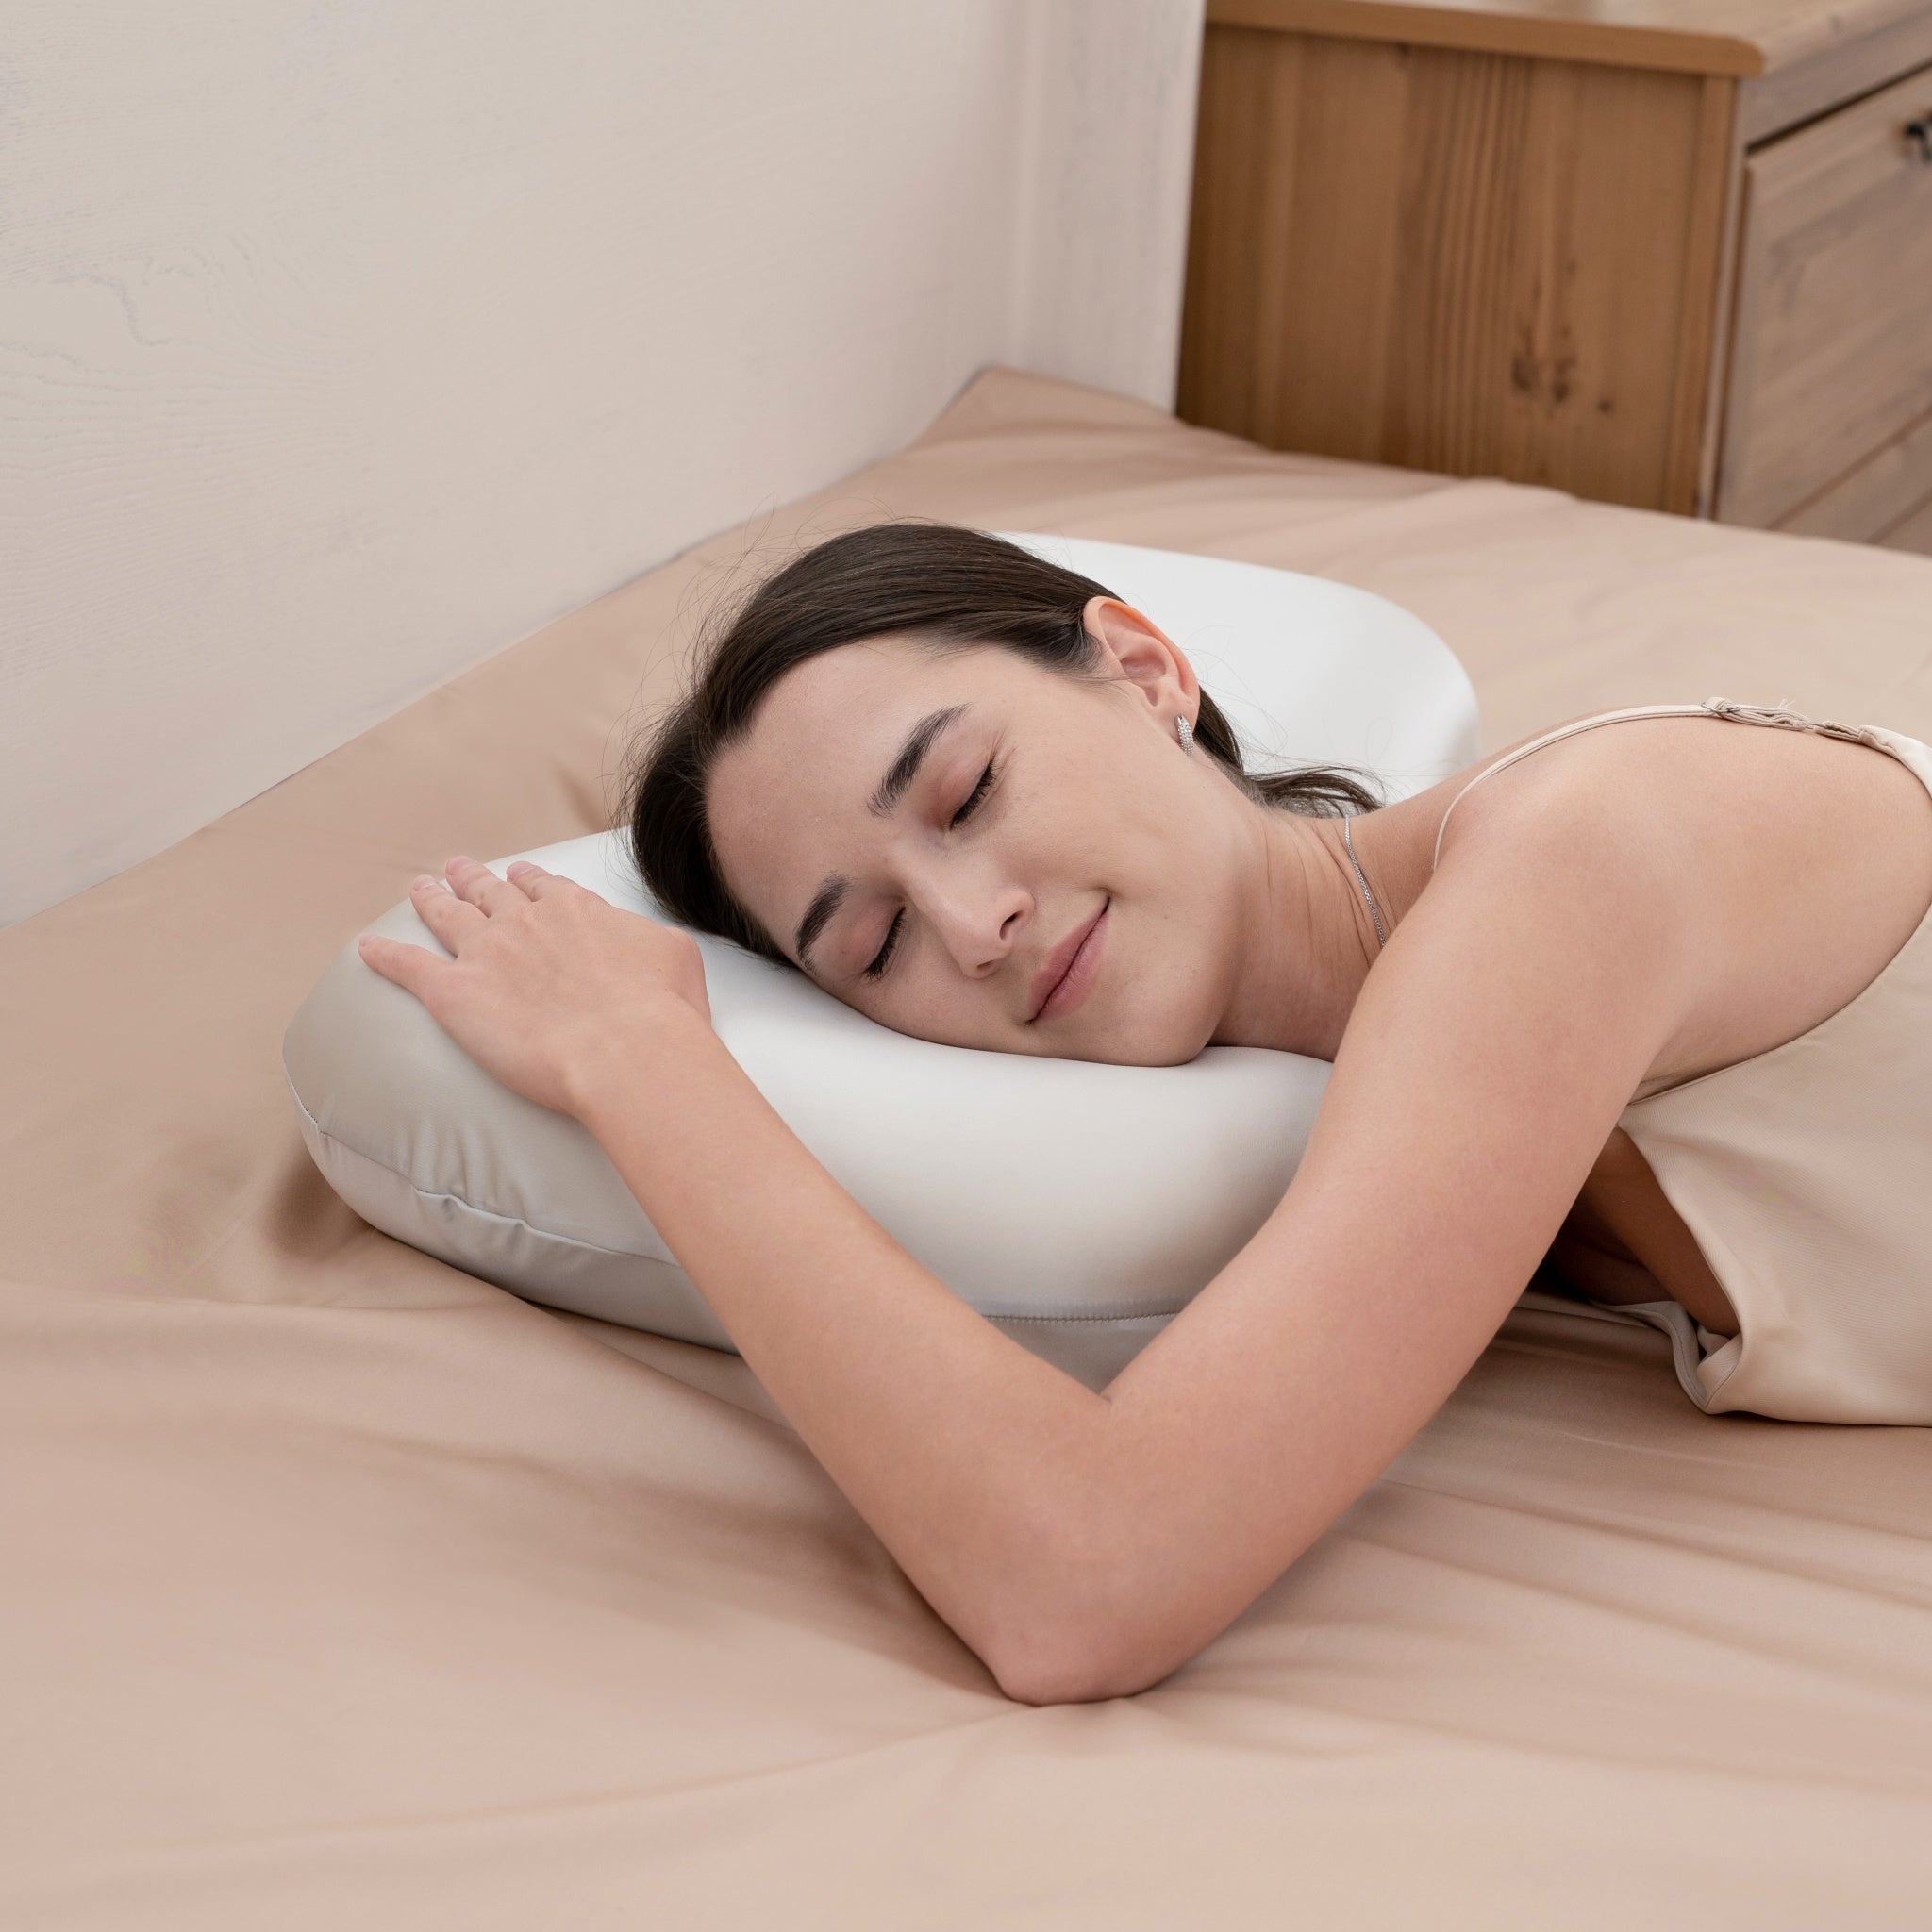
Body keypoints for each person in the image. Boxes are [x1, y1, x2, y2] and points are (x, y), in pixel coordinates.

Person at [356, 523, 1932, 1705]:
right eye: (875, 943)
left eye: (968, 794)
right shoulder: (1359, 1080)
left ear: (1146, 671)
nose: (976, 923)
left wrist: (650, 1071)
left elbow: (1087, 1586)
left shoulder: (1577, 859)